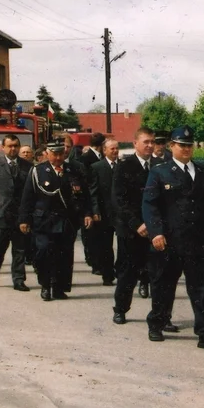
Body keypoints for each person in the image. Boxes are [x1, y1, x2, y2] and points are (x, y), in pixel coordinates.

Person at [142, 125, 204, 351]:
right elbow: (150, 205)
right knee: (164, 286)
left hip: (198, 243)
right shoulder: (160, 172)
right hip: (170, 242)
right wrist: (156, 232)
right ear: (172, 146)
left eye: (189, 145)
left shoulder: (203, 173)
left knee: (201, 291)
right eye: (181, 145)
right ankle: (157, 323)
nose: (186, 149)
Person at [19, 138, 93, 301]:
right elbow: (27, 197)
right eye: (54, 154)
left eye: (61, 154)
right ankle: (45, 285)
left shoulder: (73, 170)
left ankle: (59, 288)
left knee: (64, 256)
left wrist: (87, 213)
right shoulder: (38, 171)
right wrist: (24, 219)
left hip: (67, 221)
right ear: (47, 153)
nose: (58, 158)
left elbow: (84, 195)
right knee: (44, 252)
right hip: (44, 221)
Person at [111, 127, 155, 325]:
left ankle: (161, 315)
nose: (150, 145)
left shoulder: (160, 165)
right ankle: (120, 309)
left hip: (155, 230)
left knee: (159, 275)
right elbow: (119, 200)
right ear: (135, 143)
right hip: (131, 230)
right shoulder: (125, 166)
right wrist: (136, 224)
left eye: (152, 142)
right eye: (145, 142)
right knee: (128, 272)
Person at [0, 134, 33, 291]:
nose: (13, 148)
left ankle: (18, 280)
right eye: (10, 146)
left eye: (16, 145)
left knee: (20, 249)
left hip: (20, 216)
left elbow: (30, 193)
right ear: (3, 148)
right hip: (1, 213)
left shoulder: (27, 166)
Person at [88, 139, 120, 286]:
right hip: (104, 213)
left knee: (124, 245)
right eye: (112, 149)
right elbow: (93, 191)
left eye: (116, 149)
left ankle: (121, 271)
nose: (115, 151)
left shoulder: (123, 166)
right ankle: (107, 275)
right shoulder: (97, 167)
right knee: (105, 246)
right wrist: (95, 210)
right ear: (104, 150)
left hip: (121, 214)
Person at [79, 132, 106, 272]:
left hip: (101, 201)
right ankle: (95, 262)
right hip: (91, 200)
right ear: (101, 145)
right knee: (92, 235)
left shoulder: (102, 157)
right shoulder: (86, 158)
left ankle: (99, 262)